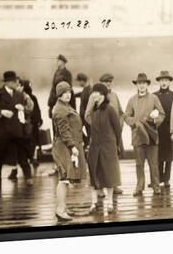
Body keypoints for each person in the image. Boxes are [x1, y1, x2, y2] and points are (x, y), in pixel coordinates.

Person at [0, 71, 34, 190]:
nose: (16, 83)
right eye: (14, 81)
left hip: (17, 131)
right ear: (7, 82)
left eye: (16, 81)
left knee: (23, 155)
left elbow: (27, 111)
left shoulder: (19, 95)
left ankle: (28, 178)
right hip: (1, 132)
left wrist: (23, 109)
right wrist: (1, 112)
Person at [124, 73, 165, 197]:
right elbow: (126, 116)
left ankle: (156, 186)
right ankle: (139, 187)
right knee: (139, 163)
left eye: (143, 83)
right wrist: (134, 123)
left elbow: (162, 114)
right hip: (137, 136)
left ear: (147, 84)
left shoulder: (154, 98)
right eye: (139, 83)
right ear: (136, 85)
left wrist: (154, 120)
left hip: (151, 135)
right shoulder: (131, 99)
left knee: (153, 163)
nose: (141, 85)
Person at [51, 81, 87, 221]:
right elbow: (64, 132)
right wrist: (73, 147)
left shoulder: (66, 106)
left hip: (68, 146)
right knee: (64, 179)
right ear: (59, 95)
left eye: (69, 92)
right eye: (64, 93)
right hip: (64, 147)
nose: (67, 95)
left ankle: (63, 207)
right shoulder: (60, 109)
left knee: (66, 178)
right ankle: (60, 210)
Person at [86, 72, 125, 195]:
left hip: (114, 133)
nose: (108, 84)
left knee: (113, 161)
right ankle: (101, 187)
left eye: (110, 82)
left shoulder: (114, 95)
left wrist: (120, 124)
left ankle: (114, 185)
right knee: (100, 162)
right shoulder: (94, 97)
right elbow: (87, 115)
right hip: (101, 135)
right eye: (106, 82)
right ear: (101, 84)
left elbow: (120, 112)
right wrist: (98, 126)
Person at [47, 54, 75, 176]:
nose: (57, 63)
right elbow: (53, 90)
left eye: (59, 61)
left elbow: (66, 91)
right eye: (57, 61)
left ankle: (66, 165)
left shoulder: (66, 74)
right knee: (57, 136)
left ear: (63, 62)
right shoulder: (56, 72)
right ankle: (59, 165)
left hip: (63, 106)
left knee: (65, 135)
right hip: (55, 105)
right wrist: (50, 104)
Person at [6, 78, 35, 181]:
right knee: (13, 152)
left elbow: (31, 109)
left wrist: (23, 109)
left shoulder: (25, 97)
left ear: (22, 87)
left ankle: (28, 176)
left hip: (23, 129)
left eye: (18, 85)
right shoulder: (9, 96)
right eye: (15, 85)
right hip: (11, 129)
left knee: (22, 152)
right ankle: (14, 173)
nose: (16, 87)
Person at [154, 71, 173, 190]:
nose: (164, 82)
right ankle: (158, 179)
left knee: (169, 156)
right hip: (157, 129)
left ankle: (166, 179)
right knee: (158, 156)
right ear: (159, 82)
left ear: (169, 82)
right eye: (162, 80)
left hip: (170, 129)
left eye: (166, 80)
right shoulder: (154, 95)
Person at [23, 80, 43, 167]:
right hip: (33, 122)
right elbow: (37, 110)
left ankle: (27, 158)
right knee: (34, 141)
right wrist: (39, 120)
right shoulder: (33, 97)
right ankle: (34, 158)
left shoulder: (22, 97)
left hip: (26, 122)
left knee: (27, 141)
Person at [76, 72, 92, 148]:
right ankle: (87, 142)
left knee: (89, 132)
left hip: (86, 116)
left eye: (79, 81)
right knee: (77, 129)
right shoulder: (86, 89)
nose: (78, 83)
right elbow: (81, 94)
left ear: (82, 81)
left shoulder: (89, 91)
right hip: (83, 116)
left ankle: (88, 144)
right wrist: (73, 94)